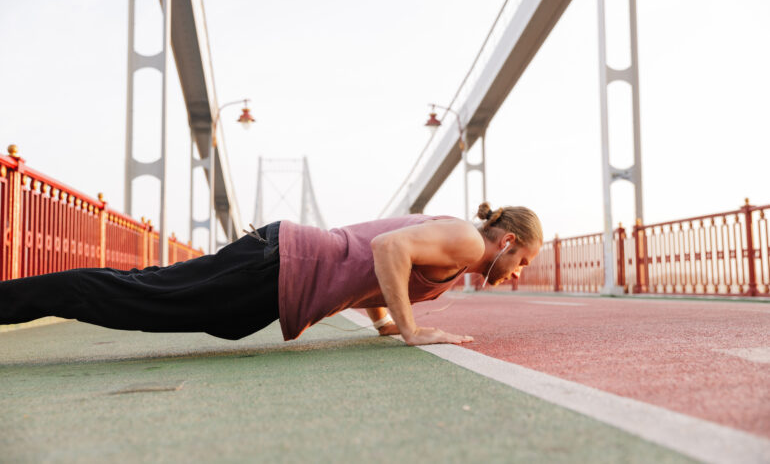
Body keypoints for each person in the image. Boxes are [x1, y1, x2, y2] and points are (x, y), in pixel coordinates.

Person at [0, 202, 542, 346]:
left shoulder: (458, 255)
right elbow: (388, 247)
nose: (518, 274)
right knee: (127, 296)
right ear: (508, 242)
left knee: (136, 292)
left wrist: (383, 320)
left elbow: (371, 270)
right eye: (522, 263)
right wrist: (412, 330)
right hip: (277, 268)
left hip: (272, 280)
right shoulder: (468, 240)